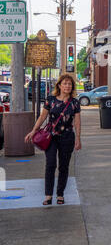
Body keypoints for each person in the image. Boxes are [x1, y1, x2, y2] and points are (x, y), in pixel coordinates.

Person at [25, 74, 81, 206]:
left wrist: (78, 138)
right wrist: (33, 131)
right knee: (50, 164)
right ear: (59, 85)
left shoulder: (74, 103)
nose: (67, 86)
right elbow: (42, 117)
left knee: (63, 166)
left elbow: (77, 122)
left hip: (67, 137)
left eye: (70, 84)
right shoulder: (50, 100)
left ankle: (60, 194)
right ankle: (48, 195)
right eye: (65, 83)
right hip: (51, 137)